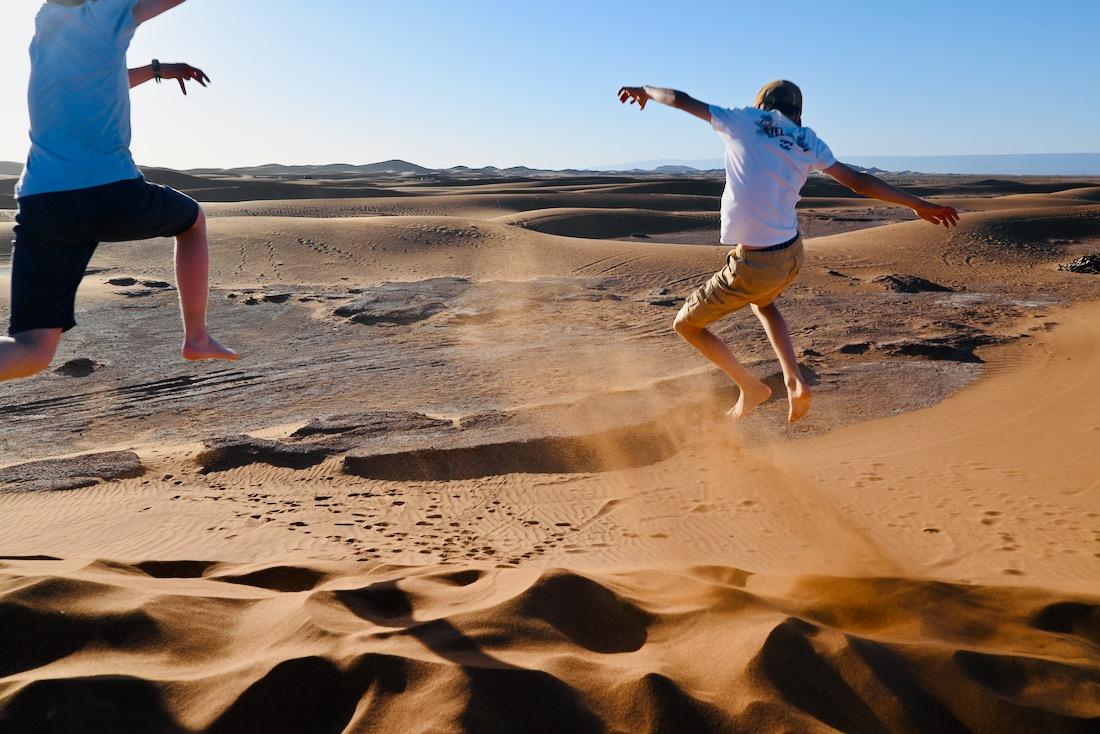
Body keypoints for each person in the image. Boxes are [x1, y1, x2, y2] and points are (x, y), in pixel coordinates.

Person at [617, 80, 959, 423]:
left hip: (755, 263)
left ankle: (751, 388)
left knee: (686, 326)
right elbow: (859, 182)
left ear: (761, 105)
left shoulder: (742, 121)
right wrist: (917, 204)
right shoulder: (807, 139)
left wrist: (646, 91)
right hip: (792, 253)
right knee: (763, 303)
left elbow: (679, 99)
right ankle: (793, 379)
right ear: (798, 113)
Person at [0, 0, 237, 382]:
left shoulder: (46, 23)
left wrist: (157, 70)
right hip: (110, 193)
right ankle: (196, 336)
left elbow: (102, 78)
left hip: (42, 203)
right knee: (192, 220)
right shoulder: (108, 10)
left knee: (30, 349)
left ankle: (197, 337)